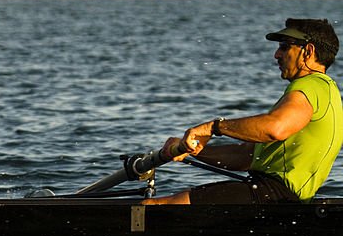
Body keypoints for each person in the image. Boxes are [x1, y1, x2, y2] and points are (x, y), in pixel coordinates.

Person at [145, 18, 341, 205]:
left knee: (153, 208)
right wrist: (193, 150)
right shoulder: (322, 91)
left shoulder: (311, 86)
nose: (276, 55)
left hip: (274, 195)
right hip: (270, 193)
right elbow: (246, 156)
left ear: (308, 51)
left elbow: (275, 128)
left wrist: (213, 127)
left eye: (284, 47)